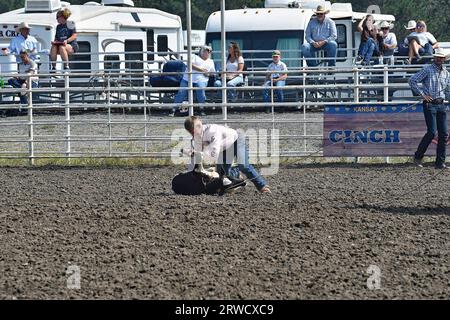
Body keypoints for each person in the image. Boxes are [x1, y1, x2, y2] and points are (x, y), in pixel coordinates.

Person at [184, 116, 271, 193]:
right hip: (224, 147)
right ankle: (238, 177)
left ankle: (262, 186)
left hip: (236, 140)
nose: (193, 135)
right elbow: (198, 155)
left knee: (243, 165)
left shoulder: (212, 131)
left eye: (194, 132)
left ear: (200, 126)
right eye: (191, 133)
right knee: (223, 174)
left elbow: (213, 153)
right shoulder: (198, 137)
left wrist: (199, 154)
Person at [409, 48, 450, 169]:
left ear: (444, 59)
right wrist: (423, 95)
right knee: (432, 132)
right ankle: (418, 156)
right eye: (437, 57)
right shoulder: (427, 69)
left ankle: (440, 162)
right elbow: (412, 80)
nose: (439, 59)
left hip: (441, 104)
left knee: (443, 134)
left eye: (441, 57)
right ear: (434, 58)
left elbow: (447, 91)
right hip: (430, 104)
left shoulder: (446, 73)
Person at [170, 45, 215, 117]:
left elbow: (212, 73)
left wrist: (208, 74)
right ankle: (174, 109)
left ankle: (202, 109)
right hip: (187, 79)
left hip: (202, 80)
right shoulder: (194, 56)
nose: (208, 53)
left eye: (210, 51)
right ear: (201, 51)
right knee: (181, 92)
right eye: (207, 51)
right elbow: (189, 64)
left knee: (200, 90)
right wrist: (202, 70)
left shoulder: (211, 61)